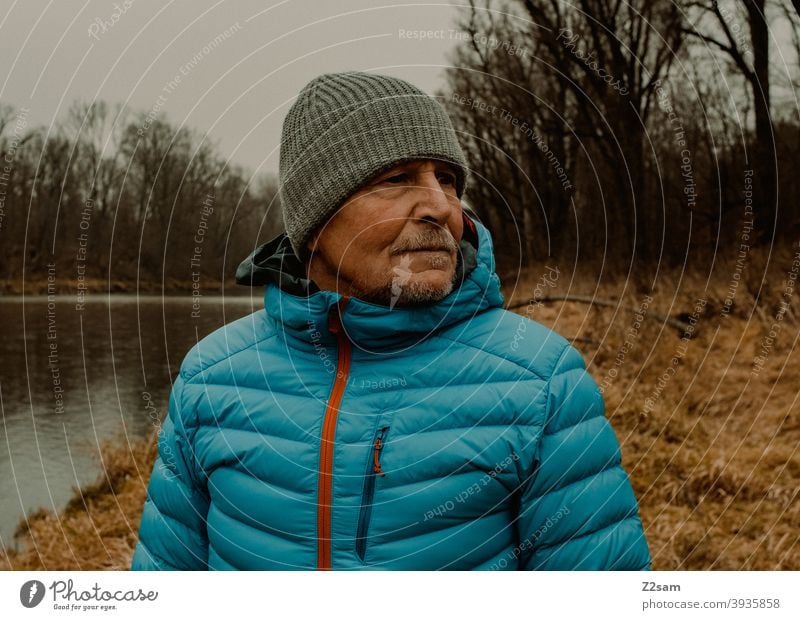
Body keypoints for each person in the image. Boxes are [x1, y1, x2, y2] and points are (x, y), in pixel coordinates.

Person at [131, 70, 651, 570]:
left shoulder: (541, 379)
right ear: (315, 225)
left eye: (447, 180)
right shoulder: (212, 378)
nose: (442, 208)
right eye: (397, 178)